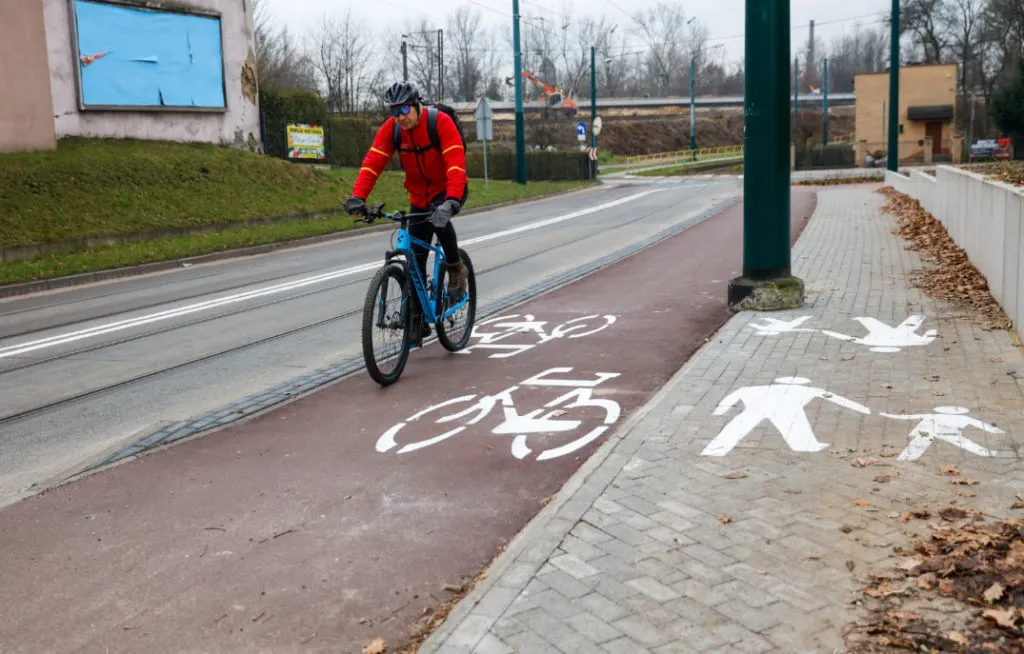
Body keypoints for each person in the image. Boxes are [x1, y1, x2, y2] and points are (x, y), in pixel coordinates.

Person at [343, 81, 469, 343]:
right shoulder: (393, 130)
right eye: (394, 112)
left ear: (416, 105)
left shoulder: (440, 123)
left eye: (404, 110)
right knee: (416, 260)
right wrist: (358, 196)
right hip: (419, 196)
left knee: (440, 222)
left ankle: (456, 268)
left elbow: (456, 165)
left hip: (448, 189)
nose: (399, 117)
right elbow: (373, 162)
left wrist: (452, 201)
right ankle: (418, 319)